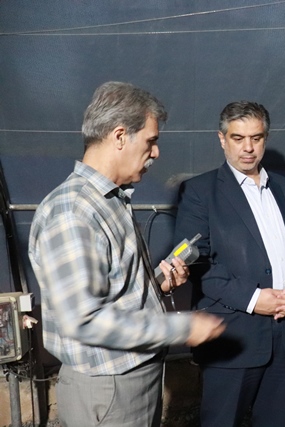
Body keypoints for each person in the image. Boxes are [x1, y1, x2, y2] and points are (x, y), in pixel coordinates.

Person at [28, 81, 225, 427]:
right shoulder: (74, 212)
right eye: (151, 140)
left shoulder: (110, 200)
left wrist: (156, 285)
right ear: (120, 136)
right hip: (110, 388)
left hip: (127, 381)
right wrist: (180, 327)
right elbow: (85, 320)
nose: (156, 152)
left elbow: (108, 289)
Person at [173, 101, 285, 427]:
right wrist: (255, 300)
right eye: (238, 138)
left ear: (266, 138)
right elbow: (197, 264)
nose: (248, 148)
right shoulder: (199, 192)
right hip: (232, 340)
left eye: (256, 138)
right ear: (222, 139)